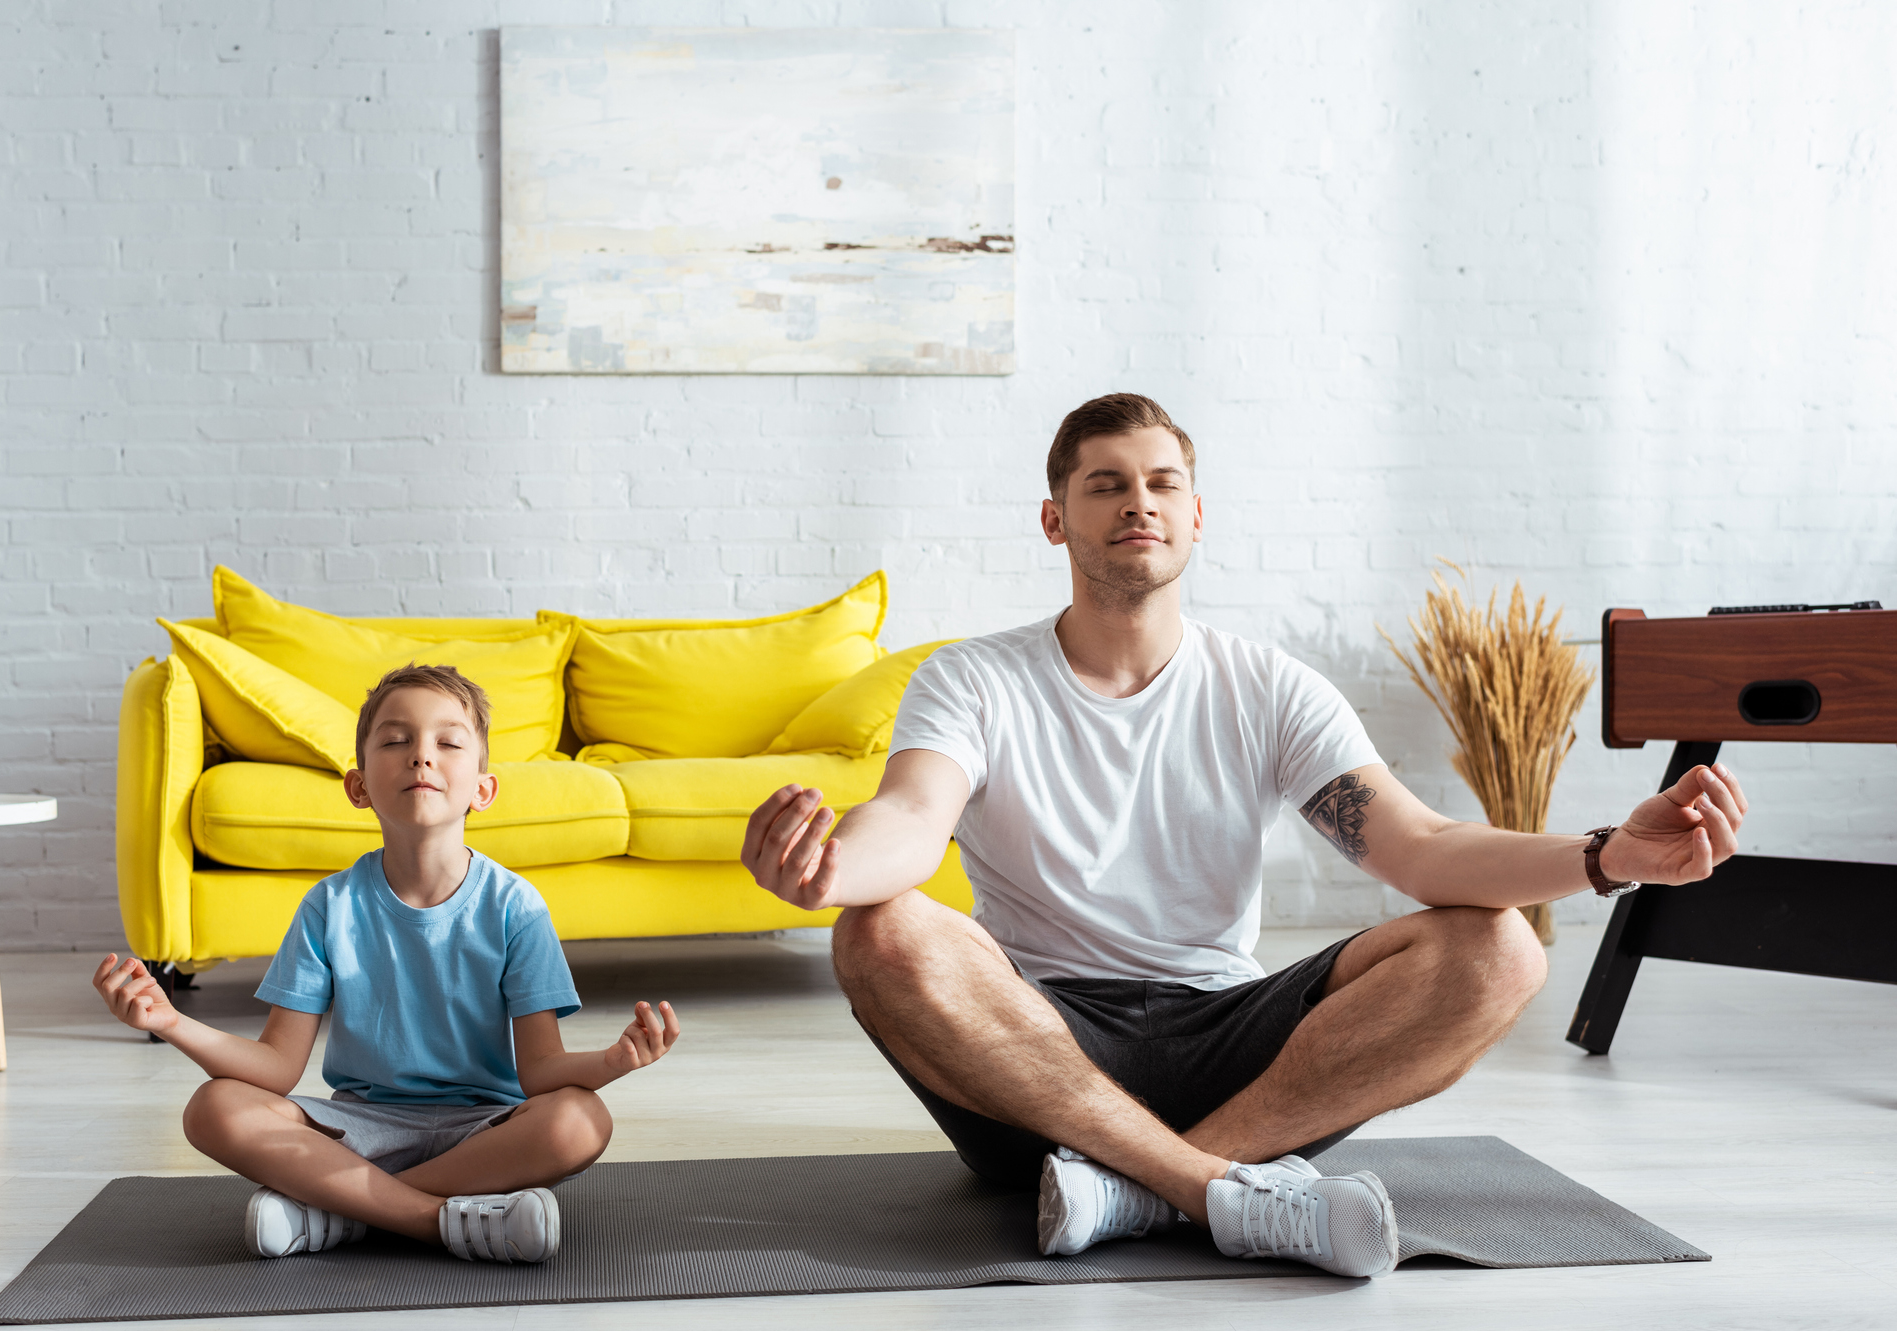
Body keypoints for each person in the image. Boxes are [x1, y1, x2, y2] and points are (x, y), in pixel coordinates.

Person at [741, 392, 1749, 1279]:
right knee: (875, 930)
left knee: (1499, 947)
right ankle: (1209, 1185)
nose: (1135, 501)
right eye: (1102, 484)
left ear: (1192, 514)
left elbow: (1419, 848)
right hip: (1037, 1057)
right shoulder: (974, 678)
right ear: (1054, 520)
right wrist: (828, 865)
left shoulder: (1266, 688)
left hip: (1235, 1049)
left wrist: (1607, 854)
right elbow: (912, 821)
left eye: (1159, 481)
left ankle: (1134, 1189)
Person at [95, 663, 681, 1263]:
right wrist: (169, 1022)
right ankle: (434, 1221)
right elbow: (274, 1068)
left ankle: (337, 1210)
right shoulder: (329, 905)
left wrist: (615, 1062)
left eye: (448, 743)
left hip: (484, 1131)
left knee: (581, 1121)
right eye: (397, 741)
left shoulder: (516, 907)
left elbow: (539, 1072)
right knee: (213, 1108)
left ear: (483, 789)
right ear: (358, 786)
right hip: (358, 1131)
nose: (421, 757)